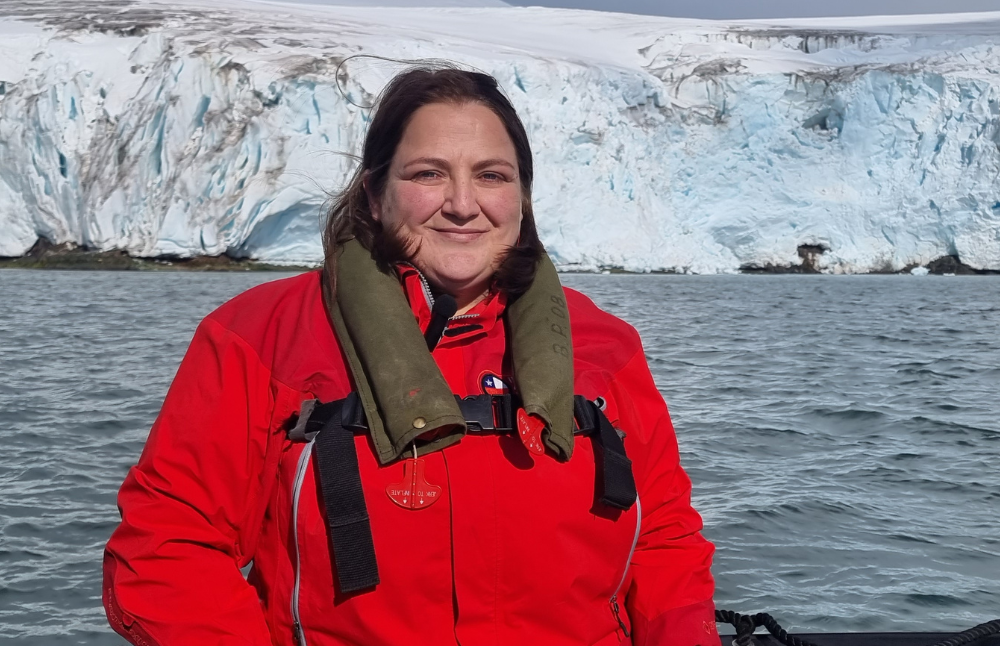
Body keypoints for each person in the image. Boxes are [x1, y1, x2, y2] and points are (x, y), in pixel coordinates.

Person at [103, 66, 721, 646]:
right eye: (427, 174)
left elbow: (663, 543)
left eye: (491, 175)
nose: (460, 203)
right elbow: (167, 547)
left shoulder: (605, 346)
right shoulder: (261, 337)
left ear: (522, 197)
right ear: (375, 193)